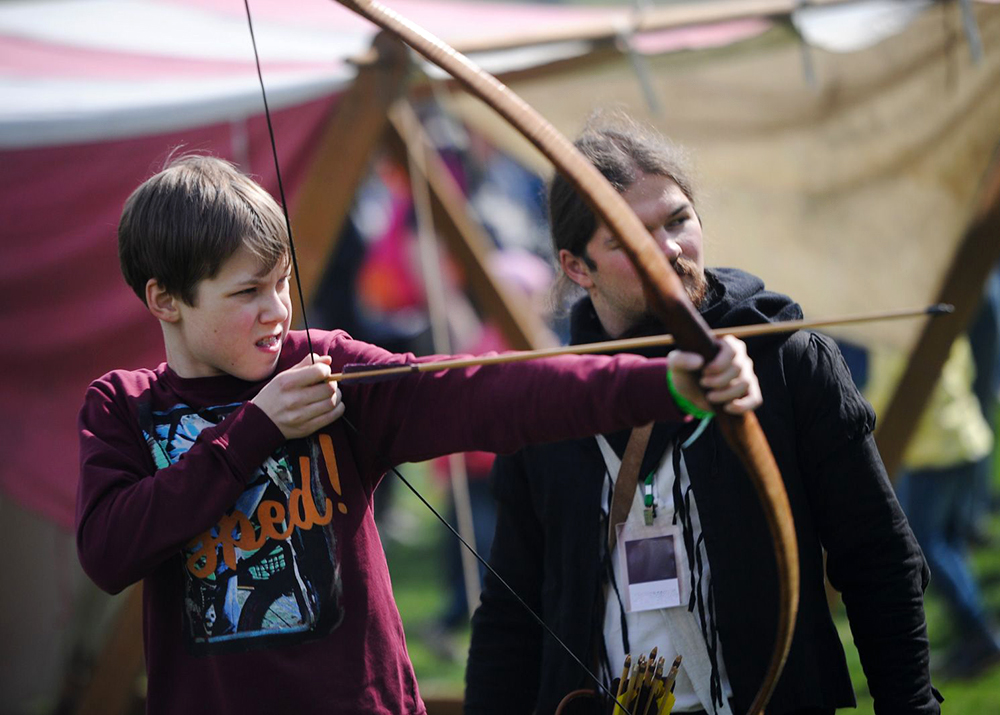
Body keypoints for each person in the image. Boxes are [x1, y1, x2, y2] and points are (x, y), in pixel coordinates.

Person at [74, 155, 761, 715]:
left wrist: (662, 381)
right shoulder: (122, 406)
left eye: (283, 284)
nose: (277, 310)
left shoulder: (326, 371)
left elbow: (485, 392)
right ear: (165, 298)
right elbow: (108, 552)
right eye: (248, 292)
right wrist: (254, 431)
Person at [465, 115, 941, 715]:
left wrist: (912, 706)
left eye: (677, 220)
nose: (667, 249)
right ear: (577, 267)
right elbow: (512, 611)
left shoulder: (788, 361)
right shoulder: (550, 407)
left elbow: (878, 558)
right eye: (629, 238)